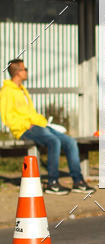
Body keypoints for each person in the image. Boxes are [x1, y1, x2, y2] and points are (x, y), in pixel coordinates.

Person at [0, 59, 96, 195]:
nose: (27, 71)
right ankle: (53, 183)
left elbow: (30, 112)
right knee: (54, 141)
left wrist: (43, 122)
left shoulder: (21, 90)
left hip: (40, 126)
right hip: (25, 129)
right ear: (17, 72)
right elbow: (7, 117)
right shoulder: (7, 91)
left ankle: (78, 181)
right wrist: (26, 125)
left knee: (70, 142)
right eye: (24, 69)